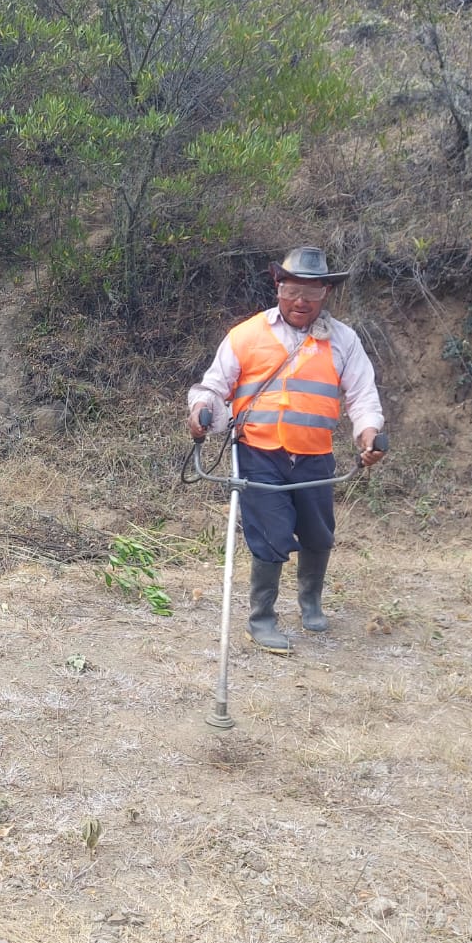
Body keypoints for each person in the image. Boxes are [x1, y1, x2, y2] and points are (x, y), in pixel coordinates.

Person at [186, 246, 386, 654]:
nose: (301, 301)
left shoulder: (344, 341)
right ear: (278, 286)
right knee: (270, 534)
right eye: (293, 290)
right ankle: (261, 619)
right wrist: (201, 409)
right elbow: (212, 386)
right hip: (259, 452)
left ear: (326, 293)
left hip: (314, 454)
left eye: (311, 292)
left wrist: (369, 435)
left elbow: (363, 397)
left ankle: (310, 601)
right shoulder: (247, 335)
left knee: (318, 533)